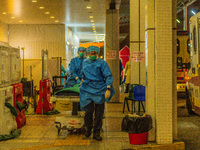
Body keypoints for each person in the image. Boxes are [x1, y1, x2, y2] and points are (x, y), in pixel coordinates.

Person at [80, 46, 115, 141]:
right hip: (87, 88)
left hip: (99, 89)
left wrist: (108, 87)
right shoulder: (85, 62)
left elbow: (108, 75)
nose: (92, 55)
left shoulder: (102, 63)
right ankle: (88, 129)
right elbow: (82, 74)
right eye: (91, 53)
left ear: (98, 54)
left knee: (99, 113)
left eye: (94, 53)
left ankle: (96, 132)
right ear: (88, 54)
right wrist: (81, 80)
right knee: (88, 111)